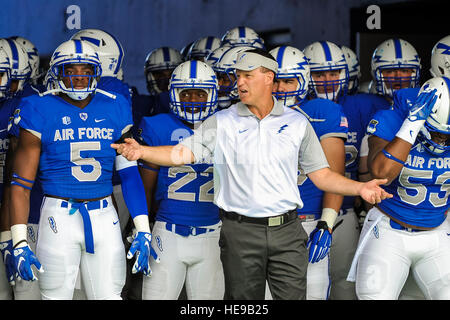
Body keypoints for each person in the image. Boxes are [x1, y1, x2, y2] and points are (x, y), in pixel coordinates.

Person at [112, 48, 392, 300]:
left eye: (247, 75)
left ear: (268, 78)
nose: (239, 82)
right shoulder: (221, 121)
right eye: (237, 76)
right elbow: (180, 155)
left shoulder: (297, 123)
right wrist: (142, 152)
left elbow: (322, 176)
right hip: (240, 230)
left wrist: (360, 189)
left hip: (287, 229)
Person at [9, 39, 157, 300]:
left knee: (110, 295)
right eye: (71, 70)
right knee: (55, 296)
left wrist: (142, 227)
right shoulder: (39, 108)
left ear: (97, 72)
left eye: (86, 70)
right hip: (59, 216)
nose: (79, 78)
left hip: (104, 215)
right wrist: (20, 240)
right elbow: (21, 184)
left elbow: (129, 173)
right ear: (57, 72)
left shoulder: (115, 105)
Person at [303, 40, 391, 300]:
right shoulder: (293, 111)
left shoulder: (364, 106)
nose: (328, 80)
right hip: (303, 214)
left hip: (347, 211)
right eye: (319, 74)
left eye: (334, 74)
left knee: (345, 283)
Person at [349, 76, 450, 300]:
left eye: (448, 136)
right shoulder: (392, 119)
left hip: (438, 231)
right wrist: (412, 124)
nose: (442, 142)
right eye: (437, 134)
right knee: (375, 296)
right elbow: (382, 173)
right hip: (388, 230)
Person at [137, 60, 224, 300]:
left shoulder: (226, 124)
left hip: (213, 233)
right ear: (174, 93)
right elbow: (146, 186)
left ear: (212, 94)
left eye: (200, 93)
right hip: (168, 231)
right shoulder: (156, 125)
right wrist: (141, 226)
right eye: (186, 93)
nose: (193, 99)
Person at [269, 45, 348, 300]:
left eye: (289, 81)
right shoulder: (246, 114)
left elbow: (334, 175)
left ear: (303, 80)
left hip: (309, 222)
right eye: (276, 81)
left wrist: (326, 223)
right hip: (262, 225)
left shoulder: (321, 112)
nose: (281, 89)